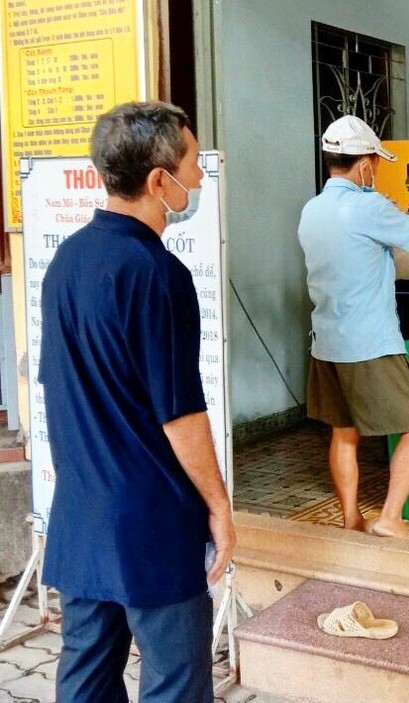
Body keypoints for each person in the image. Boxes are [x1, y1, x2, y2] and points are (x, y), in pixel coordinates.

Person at [39, 101, 235, 702]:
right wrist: (220, 507)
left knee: (86, 681)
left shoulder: (66, 262)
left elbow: (56, 387)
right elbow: (179, 415)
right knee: (175, 683)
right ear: (158, 180)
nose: (199, 176)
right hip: (150, 521)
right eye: (192, 163)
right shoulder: (156, 273)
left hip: (81, 514)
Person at [298, 115, 409, 539]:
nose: (376, 171)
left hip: (326, 342)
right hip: (371, 343)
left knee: (344, 432)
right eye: (375, 164)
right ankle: (389, 518)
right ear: (364, 165)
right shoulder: (368, 207)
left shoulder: (312, 210)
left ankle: (351, 520)